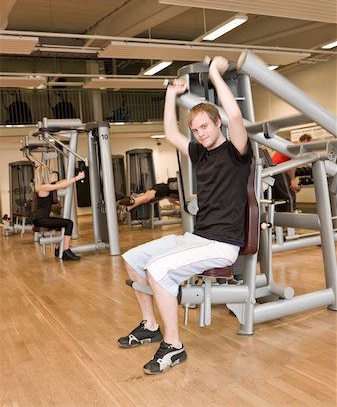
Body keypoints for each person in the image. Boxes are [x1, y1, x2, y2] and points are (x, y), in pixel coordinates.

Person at [117, 56, 253, 375]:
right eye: (195, 129)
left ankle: (174, 346)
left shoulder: (237, 152)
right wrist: (170, 94)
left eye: (204, 126)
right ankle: (151, 324)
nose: (200, 133)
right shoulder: (199, 154)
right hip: (198, 237)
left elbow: (234, 113)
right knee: (132, 257)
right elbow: (169, 132)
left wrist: (216, 74)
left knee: (158, 268)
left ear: (217, 123)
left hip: (222, 243)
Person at [32, 165, 85, 261]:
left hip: (40, 218)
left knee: (60, 224)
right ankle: (66, 250)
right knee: (69, 223)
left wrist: (73, 176)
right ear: (45, 174)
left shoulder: (43, 186)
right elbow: (61, 186)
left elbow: (60, 182)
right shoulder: (43, 187)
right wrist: (78, 178)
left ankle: (57, 249)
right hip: (41, 219)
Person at [271, 133, 312, 210]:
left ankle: (281, 216)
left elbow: (289, 166)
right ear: (306, 140)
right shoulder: (297, 147)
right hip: (279, 169)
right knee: (290, 195)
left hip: (274, 170)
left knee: (279, 196)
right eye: (309, 143)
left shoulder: (292, 145)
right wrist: (293, 180)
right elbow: (293, 164)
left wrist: (291, 179)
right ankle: (292, 212)